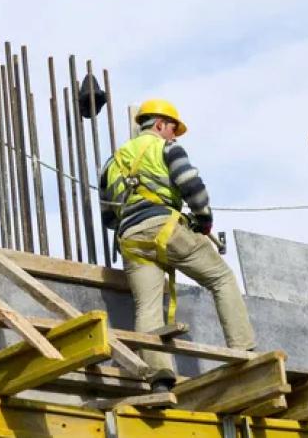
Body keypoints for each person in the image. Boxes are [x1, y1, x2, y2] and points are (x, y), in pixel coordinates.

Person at [99, 99, 256, 392]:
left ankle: (159, 378)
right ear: (159, 125)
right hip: (166, 228)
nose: (174, 135)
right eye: (173, 129)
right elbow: (192, 186)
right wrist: (203, 220)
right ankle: (244, 352)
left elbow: (108, 217)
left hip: (131, 239)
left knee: (147, 307)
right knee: (221, 278)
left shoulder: (111, 163)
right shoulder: (166, 148)